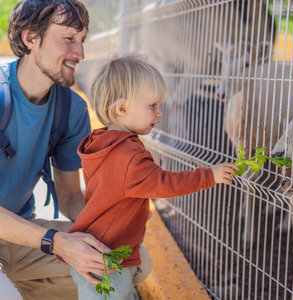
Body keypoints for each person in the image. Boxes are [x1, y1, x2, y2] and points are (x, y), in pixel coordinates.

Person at [0, 1, 150, 299]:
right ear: (31, 39)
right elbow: (53, 241)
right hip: (30, 235)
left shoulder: (71, 108)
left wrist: (113, 224)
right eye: (68, 39)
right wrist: (57, 243)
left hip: (19, 233)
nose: (79, 53)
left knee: (131, 261)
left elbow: (69, 196)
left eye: (82, 40)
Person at [67, 56, 238, 299]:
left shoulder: (103, 142)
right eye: (153, 105)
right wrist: (209, 175)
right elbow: (164, 183)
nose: (160, 112)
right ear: (123, 108)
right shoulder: (127, 155)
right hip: (106, 262)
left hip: (101, 251)